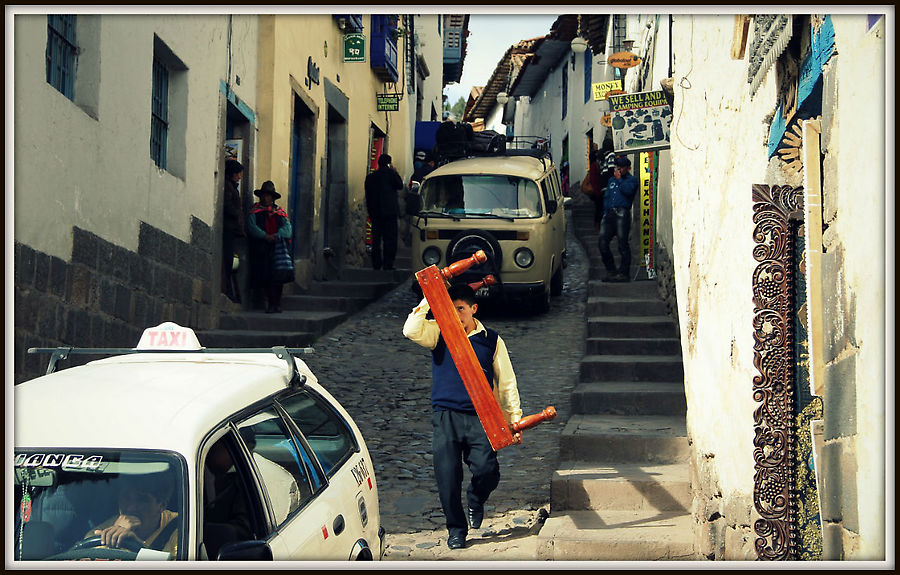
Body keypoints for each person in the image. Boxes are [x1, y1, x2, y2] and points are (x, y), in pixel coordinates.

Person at [402, 283, 523, 550]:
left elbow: (506, 382)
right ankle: (456, 529)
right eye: (451, 309)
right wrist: (428, 301)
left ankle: (476, 497)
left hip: (481, 417)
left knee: (488, 470)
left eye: (460, 309)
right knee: (447, 476)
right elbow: (410, 330)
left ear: (473, 309)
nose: (456, 314)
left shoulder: (491, 339)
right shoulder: (438, 333)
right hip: (445, 417)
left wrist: (513, 419)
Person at [90, 474, 178, 555]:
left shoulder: (182, 529)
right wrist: (112, 542)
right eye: (126, 497)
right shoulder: (98, 534)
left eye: (142, 500)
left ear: (161, 505)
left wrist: (136, 544)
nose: (130, 508)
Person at [203, 438, 253, 559]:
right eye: (228, 450)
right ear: (211, 448)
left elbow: (244, 528)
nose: (235, 456)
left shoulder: (240, 484)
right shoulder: (180, 481)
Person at [247, 180, 293, 313]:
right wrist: (265, 236)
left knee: (278, 277)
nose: (266, 198)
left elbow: (288, 229)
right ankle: (270, 304)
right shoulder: (255, 212)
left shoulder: (279, 212)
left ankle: (277, 304)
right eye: (264, 195)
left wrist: (277, 235)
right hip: (261, 249)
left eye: (268, 196)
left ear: (272, 198)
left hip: (277, 249)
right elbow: (251, 227)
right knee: (266, 277)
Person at [598, 156, 639, 282]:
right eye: (618, 167)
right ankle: (611, 270)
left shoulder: (632, 180)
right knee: (602, 243)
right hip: (609, 214)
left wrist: (620, 179)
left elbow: (628, 191)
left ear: (628, 168)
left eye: (622, 167)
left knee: (622, 244)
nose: (619, 169)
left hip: (622, 214)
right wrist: (605, 213)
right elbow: (607, 197)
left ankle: (624, 273)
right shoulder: (611, 180)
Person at [364, 153, 404, 270]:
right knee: (390, 239)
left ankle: (376, 264)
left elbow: (368, 195)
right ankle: (388, 264)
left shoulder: (371, 177)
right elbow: (400, 185)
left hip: (375, 213)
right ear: (389, 163)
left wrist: (370, 211)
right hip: (390, 212)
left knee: (376, 240)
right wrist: (395, 171)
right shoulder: (391, 175)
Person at [222, 159, 245, 303]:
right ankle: (229, 290)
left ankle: (234, 292)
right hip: (229, 229)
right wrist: (237, 213)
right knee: (229, 261)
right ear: (233, 173)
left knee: (234, 262)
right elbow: (227, 205)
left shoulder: (232, 187)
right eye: (239, 173)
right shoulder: (227, 187)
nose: (240, 176)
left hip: (233, 230)